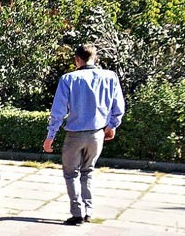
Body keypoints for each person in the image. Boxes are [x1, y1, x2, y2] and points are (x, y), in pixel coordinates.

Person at [44, 44, 125, 226]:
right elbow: (118, 107)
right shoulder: (110, 77)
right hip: (97, 133)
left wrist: (51, 135)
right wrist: (112, 125)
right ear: (95, 59)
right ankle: (88, 211)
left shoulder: (68, 79)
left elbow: (58, 111)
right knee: (88, 171)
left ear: (77, 59)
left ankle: (77, 213)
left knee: (71, 173)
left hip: (74, 134)